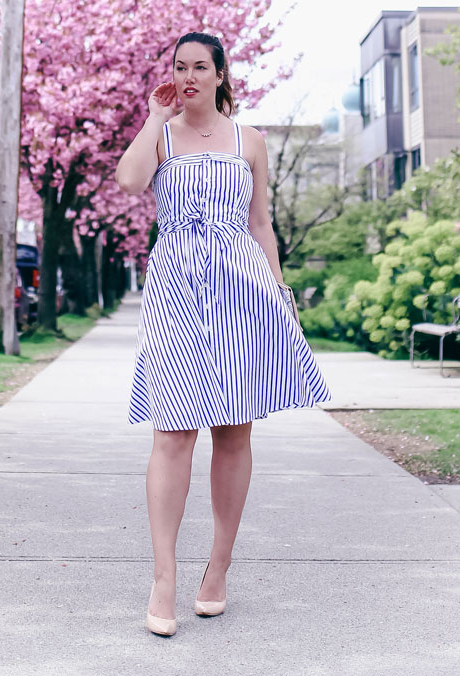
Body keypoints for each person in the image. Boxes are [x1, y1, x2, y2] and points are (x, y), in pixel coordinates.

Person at [115, 31, 331, 637]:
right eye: (179, 67)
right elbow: (130, 182)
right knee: (172, 433)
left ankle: (219, 567)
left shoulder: (251, 142)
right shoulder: (161, 136)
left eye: (199, 67)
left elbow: (261, 225)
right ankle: (164, 579)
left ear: (219, 74)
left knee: (234, 434)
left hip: (243, 295)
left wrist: (280, 296)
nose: (188, 76)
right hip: (178, 291)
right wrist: (153, 119)